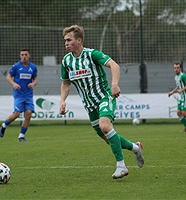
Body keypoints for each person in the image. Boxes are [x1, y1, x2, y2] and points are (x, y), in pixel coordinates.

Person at [59, 25, 144, 179]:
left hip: (104, 97)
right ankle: (135, 147)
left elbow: (114, 65)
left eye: (69, 40)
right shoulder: (66, 61)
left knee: (105, 126)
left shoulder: (92, 55)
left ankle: (121, 166)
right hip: (89, 105)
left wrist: (114, 84)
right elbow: (65, 83)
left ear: (79, 40)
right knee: (108, 138)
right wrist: (62, 100)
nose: (65, 43)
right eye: (64, 40)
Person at [0, 48, 38, 142]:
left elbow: (36, 79)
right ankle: (4, 125)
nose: (24, 56)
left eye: (26, 55)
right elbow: (8, 77)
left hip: (28, 95)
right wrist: (14, 84)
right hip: (19, 95)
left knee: (28, 114)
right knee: (16, 114)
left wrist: (33, 84)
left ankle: (21, 136)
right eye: (22, 55)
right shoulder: (16, 66)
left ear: (29, 56)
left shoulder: (33, 67)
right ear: (20, 56)